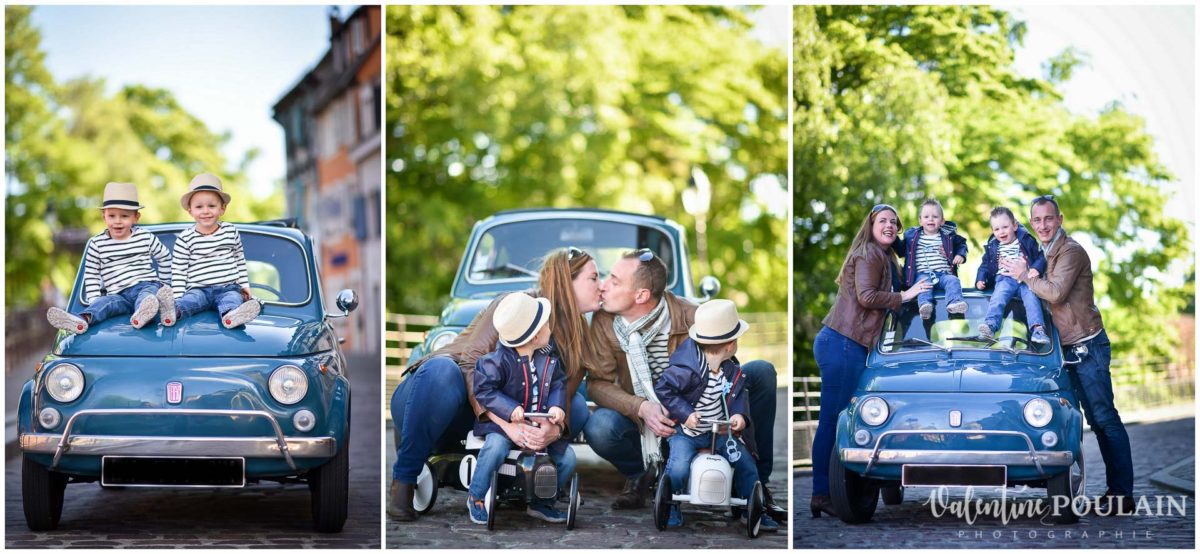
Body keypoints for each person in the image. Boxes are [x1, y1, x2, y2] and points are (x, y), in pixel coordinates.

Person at [388, 247, 600, 521]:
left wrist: (553, 428)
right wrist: (506, 423)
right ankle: (403, 482)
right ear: (566, 282)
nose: (601, 286)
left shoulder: (580, 335)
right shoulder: (516, 306)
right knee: (443, 370)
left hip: (504, 412)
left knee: (578, 407)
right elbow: (469, 363)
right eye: (594, 278)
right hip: (437, 395)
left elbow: (563, 394)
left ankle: (527, 484)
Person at [584, 250, 785, 525]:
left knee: (761, 371)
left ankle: (756, 488)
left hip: (696, 408)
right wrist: (640, 407)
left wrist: (723, 417)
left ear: (641, 295)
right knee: (599, 427)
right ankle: (644, 474)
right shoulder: (605, 322)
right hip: (644, 415)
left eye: (615, 281)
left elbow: (727, 369)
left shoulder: (692, 316)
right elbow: (597, 383)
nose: (603, 285)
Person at [1000, 195, 1135, 515]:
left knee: (1103, 419)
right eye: (1037, 220)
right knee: (1072, 421)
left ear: (1059, 219)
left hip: (1087, 347)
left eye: (1048, 219)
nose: (1043, 225)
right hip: (1062, 351)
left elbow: (1056, 293)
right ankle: (1067, 492)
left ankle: (1122, 494)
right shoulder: (1041, 253)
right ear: (1030, 223)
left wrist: (1025, 276)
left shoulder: (1071, 251)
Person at [809, 204, 930, 518]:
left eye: (894, 222)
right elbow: (866, 296)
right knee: (834, 422)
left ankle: (834, 490)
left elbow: (903, 288)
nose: (889, 225)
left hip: (850, 345)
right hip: (842, 343)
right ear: (871, 224)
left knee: (841, 420)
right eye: (883, 221)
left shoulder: (886, 258)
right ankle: (823, 492)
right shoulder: (868, 253)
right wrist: (904, 296)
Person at [653, 299, 777, 531]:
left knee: (745, 463)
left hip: (720, 433)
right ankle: (670, 504)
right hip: (688, 432)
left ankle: (752, 506)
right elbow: (664, 389)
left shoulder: (731, 370)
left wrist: (740, 416)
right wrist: (686, 413)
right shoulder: (686, 368)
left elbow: (738, 396)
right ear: (730, 345)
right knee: (678, 466)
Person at [466, 293, 575, 524]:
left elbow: (558, 383)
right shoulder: (496, 361)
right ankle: (476, 495)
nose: (550, 327)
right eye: (546, 324)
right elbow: (484, 391)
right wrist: (509, 408)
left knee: (568, 459)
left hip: (538, 424)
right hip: (504, 426)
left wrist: (557, 407)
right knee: (495, 449)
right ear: (535, 336)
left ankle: (541, 501)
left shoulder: (548, 357)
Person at [46, 182, 175, 334]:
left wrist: (165, 285)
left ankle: (143, 314)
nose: (117, 221)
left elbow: (165, 257)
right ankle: (82, 320)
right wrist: (95, 299)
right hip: (117, 294)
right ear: (104, 217)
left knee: (147, 297)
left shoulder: (145, 237)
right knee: (103, 304)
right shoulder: (97, 244)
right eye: (112, 216)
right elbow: (92, 274)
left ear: (136, 217)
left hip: (145, 285)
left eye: (124, 216)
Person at [167, 173, 260, 329]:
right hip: (198, 289)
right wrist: (177, 297)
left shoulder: (231, 231)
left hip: (227, 287)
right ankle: (172, 312)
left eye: (211, 206)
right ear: (190, 211)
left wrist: (245, 285)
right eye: (199, 206)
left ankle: (232, 316)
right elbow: (179, 271)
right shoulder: (185, 238)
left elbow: (239, 260)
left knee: (232, 300)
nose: (206, 211)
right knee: (190, 302)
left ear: (222, 209)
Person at [975, 206, 1049, 344]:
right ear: (992, 231)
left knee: (1031, 299)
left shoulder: (1026, 240)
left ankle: (1038, 330)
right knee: (998, 297)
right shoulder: (993, 246)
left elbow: (1040, 256)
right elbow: (985, 264)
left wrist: (1036, 269)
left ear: (1015, 226)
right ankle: (991, 325)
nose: (1001, 232)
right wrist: (980, 279)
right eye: (996, 229)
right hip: (1005, 279)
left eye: (1005, 227)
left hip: (1025, 279)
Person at [893, 198, 968, 319]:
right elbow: (901, 251)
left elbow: (962, 244)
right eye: (926, 216)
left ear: (942, 221)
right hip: (923, 274)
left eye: (935, 216)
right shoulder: (912, 236)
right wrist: (894, 237)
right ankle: (925, 306)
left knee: (953, 281)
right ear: (920, 221)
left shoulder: (948, 236)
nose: (931, 219)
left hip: (944, 274)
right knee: (923, 286)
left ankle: (954, 303)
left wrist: (960, 255)